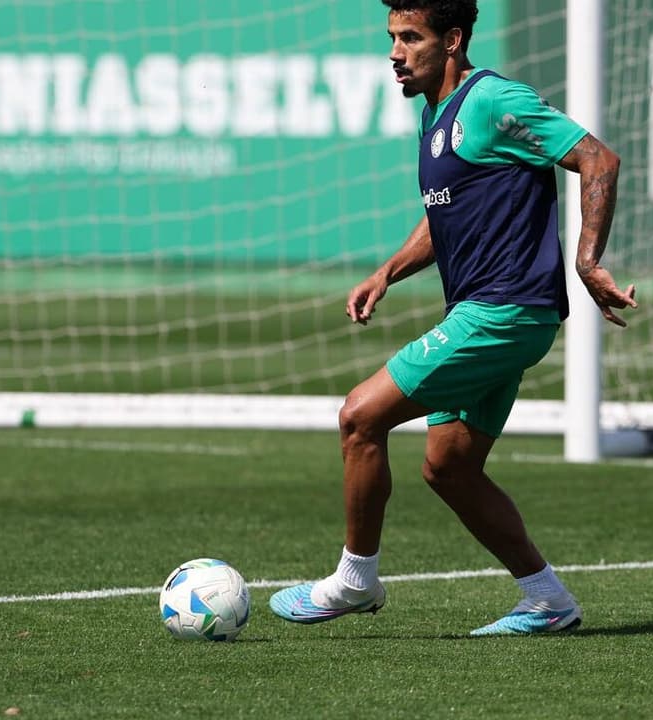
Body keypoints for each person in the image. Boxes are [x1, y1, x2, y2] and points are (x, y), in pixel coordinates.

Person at [268, 0, 634, 636]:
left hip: (503, 311)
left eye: (410, 37)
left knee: (359, 416)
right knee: (450, 468)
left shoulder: (494, 101)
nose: (394, 52)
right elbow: (445, 219)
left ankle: (355, 580)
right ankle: (547, 601)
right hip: (495, 313)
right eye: (391, 37)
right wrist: (386, 272)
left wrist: (587, 258)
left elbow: (598, 159)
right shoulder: (435, 115)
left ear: (453, 40)